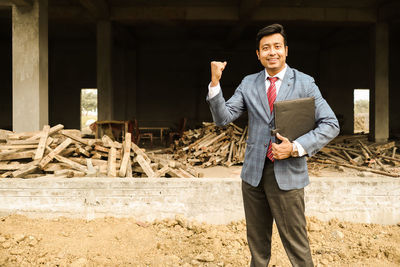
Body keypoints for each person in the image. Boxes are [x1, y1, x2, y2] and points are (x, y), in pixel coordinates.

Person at [206, 24, 339, 266]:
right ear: (258, 54)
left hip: (288, 174)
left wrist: (296, 147)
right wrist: (215, 83)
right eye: (265, 48)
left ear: (286, 50)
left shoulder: (305, 83)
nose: (272, 52)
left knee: (297, 246)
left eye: (277, 46)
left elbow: (331, 124)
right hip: (253, 175)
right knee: (257, 246)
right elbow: (222, 118)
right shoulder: (249, 83)